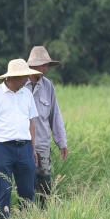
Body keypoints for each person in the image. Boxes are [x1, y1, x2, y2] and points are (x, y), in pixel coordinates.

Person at [0, 58, 42, 219]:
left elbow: (31, 123)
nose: (27, 80)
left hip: (25, 148)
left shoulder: (27, 94)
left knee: (27, 190)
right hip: (2, 149)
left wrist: (33, 149)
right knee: (4, 189)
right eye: (24, 77)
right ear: (13, 77)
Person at [26, 45, 68, 205]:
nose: (46, 68)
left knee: (45, 183)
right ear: (33, 65)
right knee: (26, 183)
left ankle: (43, 216)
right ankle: (25, 215)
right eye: (43, 65)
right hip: (24, 144)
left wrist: (61, 142)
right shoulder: (21, 85)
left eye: (46, 65)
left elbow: (54, 115)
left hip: (43, 143)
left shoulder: (48, 86)